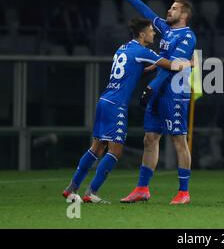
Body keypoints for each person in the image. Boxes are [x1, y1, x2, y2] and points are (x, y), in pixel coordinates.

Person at [62, 18, 192, 203]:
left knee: (96, 147)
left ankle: (71, 187)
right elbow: (172, 66)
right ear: (142, 34)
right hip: (116, 106)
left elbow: (137, 69)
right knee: (115, 151)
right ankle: (91, 192)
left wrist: (153, 67)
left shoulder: (123, 48)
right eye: (150, 31)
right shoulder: (142, 51)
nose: (153, 33)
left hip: (104, 100)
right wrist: (190, 63)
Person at [104, 0, 197, 205]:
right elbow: (145, 10)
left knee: (178, 140)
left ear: (184, 14)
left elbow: (173, 66)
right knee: (150, 138)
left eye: (174, 8)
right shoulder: (165, 29)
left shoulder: (187, 37)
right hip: (157, 90)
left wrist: (152, 86)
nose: (169, 11)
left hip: (174, 91)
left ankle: (184, 192)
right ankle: (142, 188)